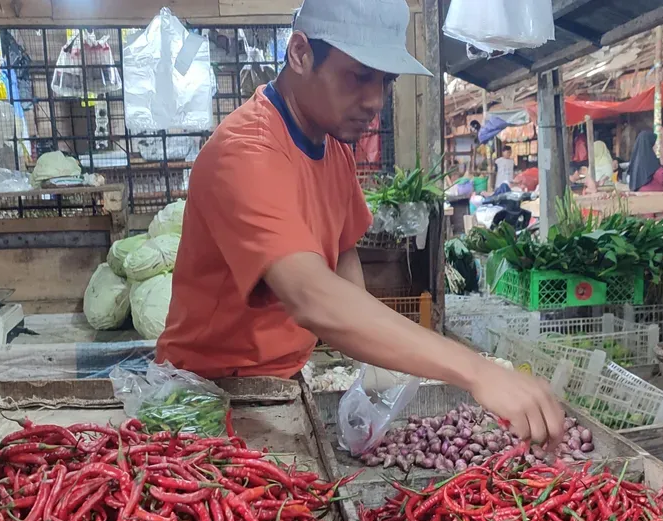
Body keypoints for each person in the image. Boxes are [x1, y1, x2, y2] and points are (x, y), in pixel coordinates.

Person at [157, 0, 567, 446]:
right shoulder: (245, 153)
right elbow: (312, 296)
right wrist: (475, 369)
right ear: (300, 53)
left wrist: (378, 366)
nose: (374, 102)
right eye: (358, 76)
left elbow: (343, 265)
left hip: (282, 385)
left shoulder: (333, 148)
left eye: (386, 82)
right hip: (208, 394)